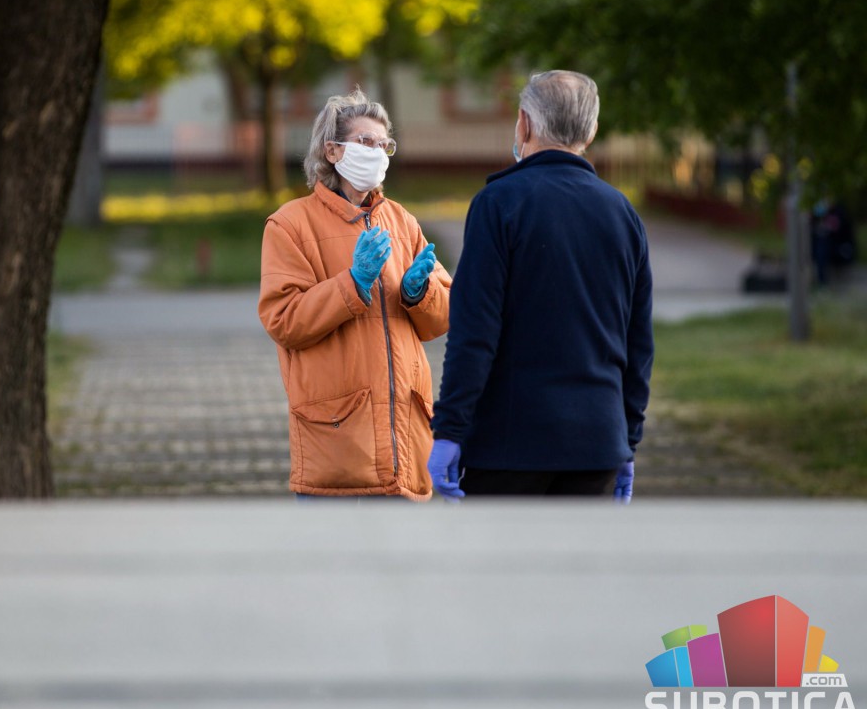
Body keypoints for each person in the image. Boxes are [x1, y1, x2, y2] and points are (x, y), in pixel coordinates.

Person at [426, 70, 653, 501]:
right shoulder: (623, 214)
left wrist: (450, 430)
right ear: (591, 131)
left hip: (509, 447)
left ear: (524, 123)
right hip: (598, 444)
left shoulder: (498, 204)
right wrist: (628, 438)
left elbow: (475, 333)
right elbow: (638, 342)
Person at [259, 88, 452, 501]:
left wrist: (421, 294)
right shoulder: (290, 225)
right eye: (366, 142)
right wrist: (353, 283)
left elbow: (443, 318)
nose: (378, 153)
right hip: (337, 442)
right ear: (332, 151)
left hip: (406, 441)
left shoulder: (402, 221)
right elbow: (284, 320)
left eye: (385, 145)